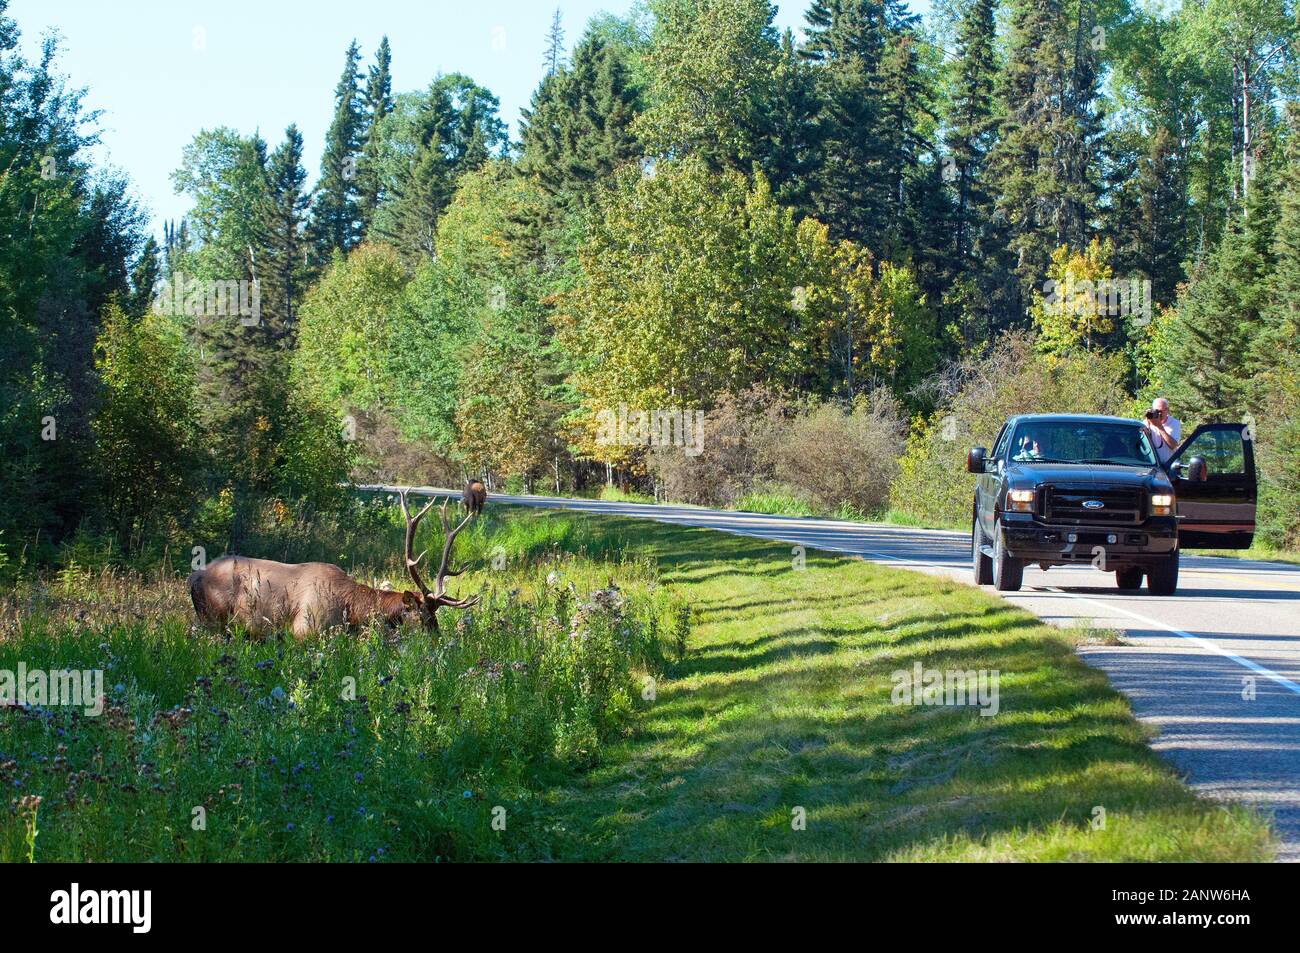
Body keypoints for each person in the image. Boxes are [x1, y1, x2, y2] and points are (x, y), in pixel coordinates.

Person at [1143, 397, 1181, 464]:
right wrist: (1148, 422)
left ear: (1167, 410)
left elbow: (1173, 445)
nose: (1159, 414)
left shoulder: (1174, 423)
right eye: (1157, 411)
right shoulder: (1148, 422)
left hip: (1168, 465)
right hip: (1152, 464)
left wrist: (1160, 427)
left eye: (1161, 411)